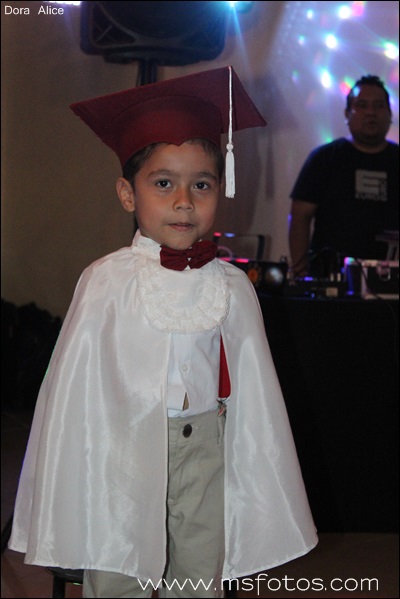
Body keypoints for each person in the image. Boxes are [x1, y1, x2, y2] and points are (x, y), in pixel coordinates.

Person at [9, 66, 317, 598]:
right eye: (163, 183)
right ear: (128, 194)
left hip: (205, 452)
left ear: (220, 189)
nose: (184, 201)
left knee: (198, 575)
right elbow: (73, 393)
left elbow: (253, 391)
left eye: (201, 184)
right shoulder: (104, 281)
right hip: (121, 454)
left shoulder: (232, 286)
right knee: (120, 571)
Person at [289, 75, 399, 277]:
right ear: (347, 113)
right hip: (330, 278)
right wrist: (300, 271)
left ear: (390, 114)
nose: (371, 112)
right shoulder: (324, 158)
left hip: (392, 280)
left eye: (379, 106)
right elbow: (300, 215)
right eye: (362, 105)